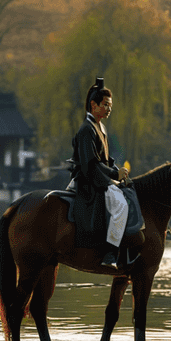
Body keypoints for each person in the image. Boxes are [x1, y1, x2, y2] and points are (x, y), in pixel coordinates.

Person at [68, 77, 129, 269]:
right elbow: (91, 163)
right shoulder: (87, 129)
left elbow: (105, 159)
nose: (109, 109)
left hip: (99, 175)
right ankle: (110, 253)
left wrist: (118, 172)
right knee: (121, 205)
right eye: (105, 105)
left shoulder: (100, 127)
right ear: (93, 105)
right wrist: (113, 173)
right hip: (89, 179)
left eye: (110, 105)